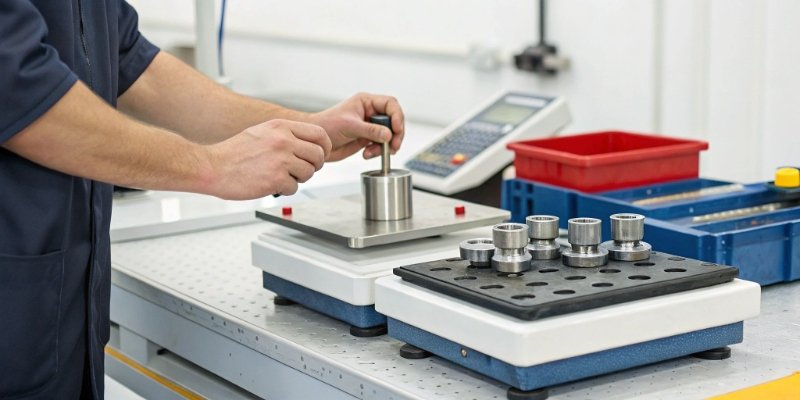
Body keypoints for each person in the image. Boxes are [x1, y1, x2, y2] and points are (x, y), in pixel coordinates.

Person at [0, 1, 405, 399]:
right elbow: (19, 92)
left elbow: (136, 66)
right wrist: (214, 166)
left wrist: (310, 128)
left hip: (59, 324)